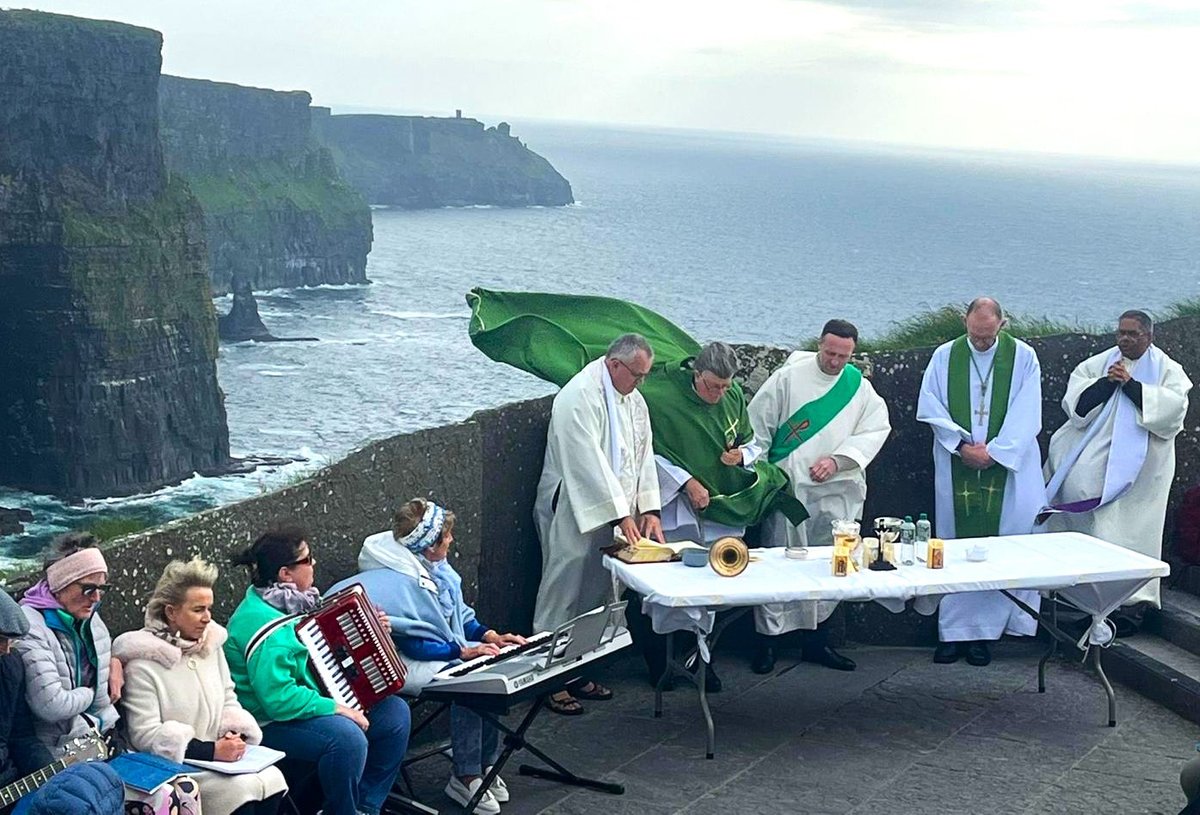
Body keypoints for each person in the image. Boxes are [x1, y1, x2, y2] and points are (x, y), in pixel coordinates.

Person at [332, 499, 527, 814]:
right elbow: (416, 642)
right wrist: (462, 651)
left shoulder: (434, 567)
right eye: (446, 536)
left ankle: (484, 762)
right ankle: (465, 775)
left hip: (429, 647)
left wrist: (488, 636)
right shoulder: (401, 582)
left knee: (491, 669)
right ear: (429, 545)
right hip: (398, 658)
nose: (451, 540)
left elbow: (455, 616)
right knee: (470, 680)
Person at [223, 525, 411, 815]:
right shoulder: (266, 631)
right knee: (347, 739)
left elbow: (322, 647)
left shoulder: (285, 601)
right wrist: (336, 708)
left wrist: (374, 630)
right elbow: (279, 700)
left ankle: (365, 807)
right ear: (286, 574)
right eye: (307, 559)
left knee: (395, 714)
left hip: (305, 702)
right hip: (267, 723)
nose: (314, 565)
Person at [747, 319, 892, 674]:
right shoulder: (788, 378)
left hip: (836, 492)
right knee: (779, 559)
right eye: (830, 353)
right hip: (790, 489)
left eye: (844, 355)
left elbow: (875, 429)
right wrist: (766, 476)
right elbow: (759, 427)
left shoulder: (858, 388)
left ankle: (817, 641)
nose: (836, 361)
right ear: (819, 345)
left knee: (830, 565)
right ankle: (768, 642)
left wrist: (838, 460)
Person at [533, 333, 663, 714]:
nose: (640, 383)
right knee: (564, 587)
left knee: (597, 591)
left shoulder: (634, 399)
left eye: (644, 376)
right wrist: (621, 512)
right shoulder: (578, 396)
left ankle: (577, 668)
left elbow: (644, 454)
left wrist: (648, 507)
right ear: (614, 364)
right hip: (574, 503)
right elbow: (585, 461)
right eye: (637, 375)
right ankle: (546, 677)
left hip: (613, 509)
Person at [1042, 310, 1191, 633]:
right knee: (1091, 525)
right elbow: (1076, 406)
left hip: (1143, 471)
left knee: (1133, 534)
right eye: (1121, 333)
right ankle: (1087, 602)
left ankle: (1130, 607)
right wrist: (1108, 383)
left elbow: (1173, 412)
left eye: (1133, 334)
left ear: (1148, 337)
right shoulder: (1098, 364)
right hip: (1096, 459)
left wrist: (1133, 386)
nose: (1125, 339)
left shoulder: (1168, 370)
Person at [916, 297, 1043, 666]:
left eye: (988, 336)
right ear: (965, 322)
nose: (981, 342)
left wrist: (997, 453)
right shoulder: (945, 356)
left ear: (1002, 324)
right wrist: (959, 445)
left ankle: (984, 637)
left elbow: (1027, 410)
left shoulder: (1023, 357)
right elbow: (930, 405)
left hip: (1007, 467)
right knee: (956, 546)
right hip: (958, 463)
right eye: (975, 334)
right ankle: (953, 634)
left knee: (998, 546)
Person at [113, 558, 288, 815]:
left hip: (220, 762)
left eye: (209, 609)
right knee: (242, 791)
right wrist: (211, 751)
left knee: (271, 778)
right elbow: (144, 735)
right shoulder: (143, 663)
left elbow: (229, 698)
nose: (207, 618)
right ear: (171, 612)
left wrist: (233, 735)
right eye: (198, 610)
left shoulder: (211, 646)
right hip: (179, 768)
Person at [14, 532, 120, 754]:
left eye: (102, 589)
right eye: (89, 589)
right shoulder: (31, 626)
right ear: (62, 584)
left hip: (99, 734)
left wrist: (117, 662)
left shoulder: (90, 620)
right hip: (58, 748)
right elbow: (51, 705)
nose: (96, 598)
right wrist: (91, 692)